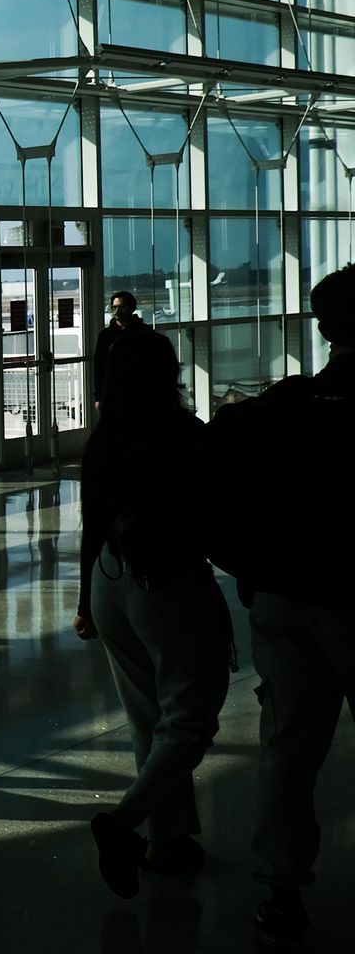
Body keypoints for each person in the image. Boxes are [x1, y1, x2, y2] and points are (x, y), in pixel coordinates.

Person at [211, 264, 355, 947]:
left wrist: (250, 568)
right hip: (349, 596)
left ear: (325, 328)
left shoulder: (286, 406)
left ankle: (282, 887)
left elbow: (217, 468)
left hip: (280, 597)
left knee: (288, 747)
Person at [72, 329, 230, 900]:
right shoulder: (184, 434)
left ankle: (170, 842)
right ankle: (122, 824)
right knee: (189, 720)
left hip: (111, 580)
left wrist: (87, 602)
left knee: (149, 721)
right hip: (169, 586)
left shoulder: (104, 437)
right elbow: (214, 517)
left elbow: (92, 523)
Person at [92, 291, 154, 409]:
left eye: (121, 307)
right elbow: (99, 367)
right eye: (114, 307)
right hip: (113, 390)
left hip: (139, 390)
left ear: (132, 308)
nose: (117, 311)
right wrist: (99, 396)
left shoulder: (144, 333)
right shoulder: (105, 335)